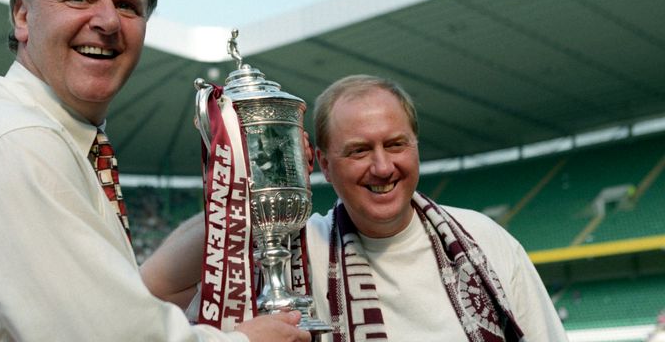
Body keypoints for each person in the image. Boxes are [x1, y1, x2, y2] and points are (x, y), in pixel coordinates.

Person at [0, 0, 309, 342]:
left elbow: (116, 302)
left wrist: (242, 191)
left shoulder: (38, 133)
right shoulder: (16, 141)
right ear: (22, 16)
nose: (109, 21)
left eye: (129, 5)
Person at [144, 75, 568, 341]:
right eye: (359, 150)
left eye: (396, 144)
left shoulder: (483, 240)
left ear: (416, 149)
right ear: (323, 165)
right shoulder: (299, 248)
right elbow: (153, 288)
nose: (383, 167)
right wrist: (254, 184)